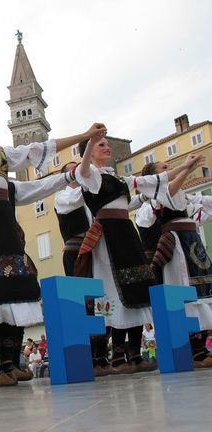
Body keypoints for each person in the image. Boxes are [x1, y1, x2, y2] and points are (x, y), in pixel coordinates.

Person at [0, 100, 106, 387]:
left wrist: (85, 135)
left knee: (19, 288)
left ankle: (10, 363)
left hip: (4, 225)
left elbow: (40, 152)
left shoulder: (2, 155)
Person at [75, 137, 201, 375]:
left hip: (126, 233)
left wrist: (185, 166)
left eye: (105, 143)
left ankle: (134, 354)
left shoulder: (118, 177)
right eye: (99, 145)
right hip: (107, 236)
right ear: (89, 153)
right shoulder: (89, 175)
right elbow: (82, 169)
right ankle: (109, 357)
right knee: (111, 290)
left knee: (138, 286)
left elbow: (156, 180)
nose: (105, 146)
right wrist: (90, 139)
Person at [139, 160, 212, 368]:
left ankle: (200, 347)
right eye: (164, 169)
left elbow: (203, 206)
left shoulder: (183, 196)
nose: (170, 170)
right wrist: (187, 168)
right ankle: (193, 350)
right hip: (177, 249)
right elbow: (147, 218)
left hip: (193, 245)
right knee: (184, 295)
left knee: (202, 293)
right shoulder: (155, 199)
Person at [54, 162, 91, 276]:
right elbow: (73, 200)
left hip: (93, 249)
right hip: (75, 251)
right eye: (75, 169)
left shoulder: (88, 194)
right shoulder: (61, 195)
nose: (79, 170)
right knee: (82, 290)